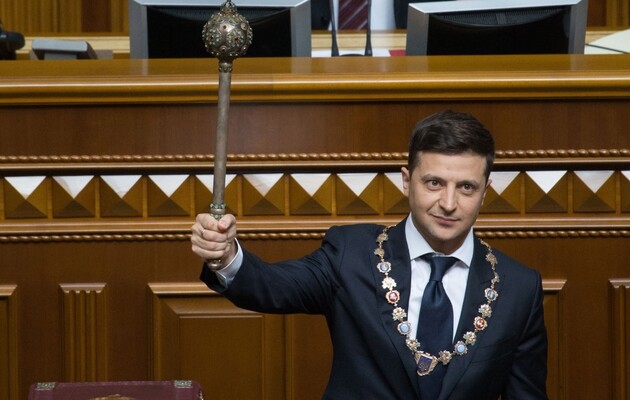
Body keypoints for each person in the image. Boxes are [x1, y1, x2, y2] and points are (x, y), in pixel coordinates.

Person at [191, 110, 548, 400]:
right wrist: (226, 256)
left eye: (466, 187)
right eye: (434, 183)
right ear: (407, 181)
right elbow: (273, 286)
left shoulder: (519, 286)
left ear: (485, 191)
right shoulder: (352, 253)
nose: (449, 203)